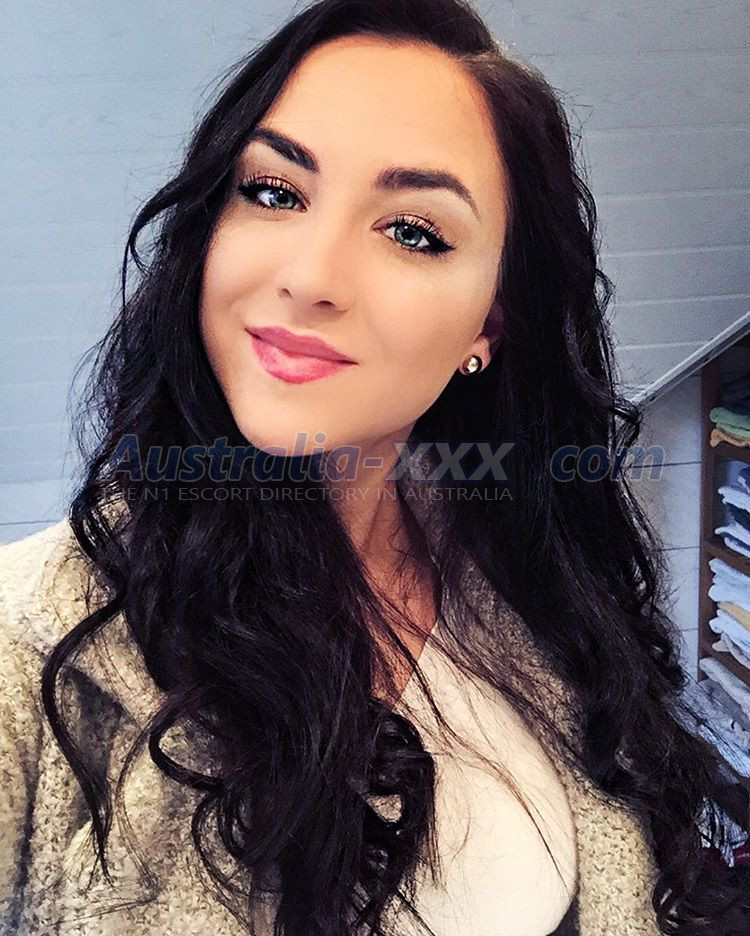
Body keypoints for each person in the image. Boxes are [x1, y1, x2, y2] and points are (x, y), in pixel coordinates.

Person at [1, 1, 748, 934]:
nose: (311, 277)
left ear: (490, 323)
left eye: (414, 232)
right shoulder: (29, 644)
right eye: (274, 192)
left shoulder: (526, 570)